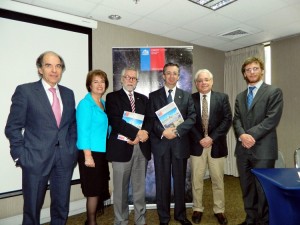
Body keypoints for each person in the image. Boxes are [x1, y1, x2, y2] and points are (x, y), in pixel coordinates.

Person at [5, 51, 78, 225]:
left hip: (64, 159)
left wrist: (73, 149)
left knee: (61, 207)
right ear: (40, 69)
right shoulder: (25, 91)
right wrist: (20, 156)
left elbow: (72, 125)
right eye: (48, 65)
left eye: (58, 66)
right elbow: (13, 127)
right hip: (35, 159)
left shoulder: (68, 93)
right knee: (32, 209)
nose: (54, 70)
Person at [233, 57, 284, 225]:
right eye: (248, 70)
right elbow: (236, 120)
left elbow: (271, 120)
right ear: (244, 74)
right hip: (243, 150)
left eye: (255, 68)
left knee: (263, 189)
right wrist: (242, 136)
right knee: (247, 187)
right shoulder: (240, 97)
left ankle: (263, 221)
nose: (252, 72)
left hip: (263, 150)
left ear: (262, 71)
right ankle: (250, 219)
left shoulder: (273, 91)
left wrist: (249, 136)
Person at [148, 62, 196, 225]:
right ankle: (164, 217)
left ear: (178, 76)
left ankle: (181, 215)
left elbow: (192, 117)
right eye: (168, 73)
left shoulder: (186, 95)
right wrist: (163, 131)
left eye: (175, 73)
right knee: (162, 183)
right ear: (163, 75)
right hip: (161, 145)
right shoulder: (154, 96)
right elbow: (150, 119)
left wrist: (176, 131)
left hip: (179, 144)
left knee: (180, 182)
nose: (171, 76)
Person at [106, 67, 151, 225]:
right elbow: (116, 121)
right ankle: (121, 220)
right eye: (127, 77)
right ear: (121, 79)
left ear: (137, 82)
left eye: (134, 78)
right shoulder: (112, 97)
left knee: (139, 189)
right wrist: (136, 135)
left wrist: (144, 133)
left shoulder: (143, 99)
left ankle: (140, 220)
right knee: (120, 190)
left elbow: (149, 120)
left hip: (141, 149)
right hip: (121, 148)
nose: (130, 80)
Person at [189, 69, 232, 225]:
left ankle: (219, 210)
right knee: (197, 180)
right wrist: (201, 138)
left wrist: (211, 138)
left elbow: (227, 120)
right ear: (196, 84)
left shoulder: (222, 98)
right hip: (196, 145)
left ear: (212, 81)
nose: (203, 83)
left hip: (216, 145)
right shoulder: (190, 99)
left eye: (206, 80)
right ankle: (197, 208)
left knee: (217, 180)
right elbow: (188, 121)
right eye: (200, 81)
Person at [76, 70, 111, 225]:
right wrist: (87, 155)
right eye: (95, 81)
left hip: (101, 152)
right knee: (93, 190)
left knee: (98, 188)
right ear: (89, 85)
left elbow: (106, 128)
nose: (99, 84)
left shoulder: (103, 104)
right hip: (90, 152)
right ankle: (91, 222)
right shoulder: (85, 104)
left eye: (102, 81)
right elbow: (82, 131)